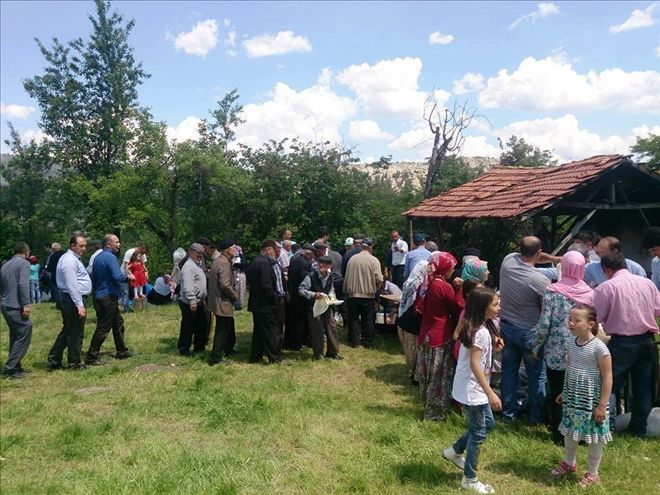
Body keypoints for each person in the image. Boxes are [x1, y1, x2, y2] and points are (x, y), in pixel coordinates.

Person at [528, 251, 594, 444]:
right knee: (580, 394)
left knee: (558, 392)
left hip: (556, 353)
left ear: (563, 267)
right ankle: (581, 434)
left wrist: (536, 346)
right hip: (583, 351)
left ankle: (560, 435)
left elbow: (544, 323)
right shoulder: (590, 293)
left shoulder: (553, 291)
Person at [593, 251, 660, 437]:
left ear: (606, 270)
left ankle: (606, 426)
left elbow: (597, 316)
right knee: (643, 387)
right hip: (647, 340)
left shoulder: (606, 288)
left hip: (622, 342)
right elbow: (657, 309)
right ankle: (639, 429)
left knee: (609, 384)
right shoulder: (647, 283)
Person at [443, 288, 502, 494]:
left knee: (487, 424)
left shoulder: (479, 328)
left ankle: (455, 451)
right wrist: (490, 392)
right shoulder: (480, 332)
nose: (499, 307)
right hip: (474, 390)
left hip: (473, 387)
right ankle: (470, 478)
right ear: (483, 308)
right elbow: (475, 365)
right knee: (479, 433)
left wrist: (493, 348)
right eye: (495, 304)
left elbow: (476, 358)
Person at [551, 304, 612, 488]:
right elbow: (570, 367)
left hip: (592, 400)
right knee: (570, 430)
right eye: (570, 319)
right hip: (573, 397)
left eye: (576, 320)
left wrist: (602, 405)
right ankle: (569, 463)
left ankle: (593, 473)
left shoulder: (599, 348)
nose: (571, 323)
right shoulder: (571, 343)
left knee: (594, 435)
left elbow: (608, 377)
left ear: (590, 324)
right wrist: (565, 391)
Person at [499, 236, 550, 424]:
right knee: (537, 376)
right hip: (530, 332)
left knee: (509, 372)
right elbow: (544, 310)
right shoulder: (540, 280)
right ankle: (535, 418)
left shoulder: (508, 262)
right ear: (539, 253)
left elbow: (530, 255)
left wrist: (554, 259)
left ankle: (508, 414)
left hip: (507, 327)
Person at [416, 251, 464, 420]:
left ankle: (427, 405)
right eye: (451, 267)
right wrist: (460, 290)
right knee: (439, 374)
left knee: (428, 373)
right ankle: (435, 412)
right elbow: (457, 307)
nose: (453, 270)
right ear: (444, 268)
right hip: (440, 335)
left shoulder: (426, 283)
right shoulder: (443, 286)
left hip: (425, 333)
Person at [85, 234, 134, 366]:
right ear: (108, 244)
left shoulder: (98, 257)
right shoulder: (110, 257)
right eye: (116, 242)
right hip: (108, 296)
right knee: (103, 327)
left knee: (118, 322)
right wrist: (128, 277)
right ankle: (91, 357)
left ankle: (121, 351)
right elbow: (118, 276)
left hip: (100, 295)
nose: (119, 244)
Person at [47, 234, 92, 371]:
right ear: (72, 246)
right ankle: (74, 363)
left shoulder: (72, 259)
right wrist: (80, 305)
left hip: (71, 298)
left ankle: (54, 360)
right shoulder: (69, 261)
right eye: (81, 246)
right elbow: (71, 284)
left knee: (68, 330)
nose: (84, 248)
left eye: (85, 246)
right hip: (72, 299)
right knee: (75, 332)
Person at [298, 255, 343, 360]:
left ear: (330, 266)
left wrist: (332, 296)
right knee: (317, 330)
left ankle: (332, 353)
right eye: (321, 263)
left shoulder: (330, 276)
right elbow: (301, 289)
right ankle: (318, 354)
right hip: (314, 307)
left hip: (327, 306)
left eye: (325, 264)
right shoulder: (311, 275)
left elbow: (331, 289)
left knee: (332, 328)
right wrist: (313, 294)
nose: (322, 265)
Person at [247, 239, 284, 364]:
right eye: (274, 250)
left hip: (256, 304)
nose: (275, 253)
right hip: (265, 304)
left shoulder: (255, 261)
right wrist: (275, 298)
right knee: (271, 331)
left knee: (259, 331)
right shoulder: (264, 264)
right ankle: (275, 357)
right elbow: (266, 286)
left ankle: (255, 356)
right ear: (268, 250)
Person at [343, 238, 383, 348]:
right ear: (371, 247)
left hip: (353, 293)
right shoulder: (374, 260)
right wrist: (376, 286)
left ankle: (355, 341)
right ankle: (368, 342)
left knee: (354, 318)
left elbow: (346, 276)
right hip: (368, 294)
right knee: (368, 319)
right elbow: (379, 279)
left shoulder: (352, 259)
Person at [1, 242, 33, 378]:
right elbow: (23, 284)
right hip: (15, 306)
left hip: (5, 304)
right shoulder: (24, 264)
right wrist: (26, 304)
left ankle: (16, 366)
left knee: (15, 335)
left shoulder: (5, 265)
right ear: (26, 252)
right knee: (25, 331)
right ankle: (10, 368)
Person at [207, 239, 239, 365]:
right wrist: (235, 296)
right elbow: (225, 284)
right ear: (227, 250)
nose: (235, 250)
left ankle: (228, 349)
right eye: (233, 247)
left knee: (228, 326)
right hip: (222, 301)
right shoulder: (224, 263)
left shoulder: (218, 260)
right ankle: (215, 357)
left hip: (217, 300)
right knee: (222, 330)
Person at [397, 259, 428, 384]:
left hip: (402, 319)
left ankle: (412, 373)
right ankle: (415, 376)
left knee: (410, 351)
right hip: (412, 322)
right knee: (416, 351)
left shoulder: (408, 282)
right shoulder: (421, 285)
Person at [177, 243, 208, 356]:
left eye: (202, 253)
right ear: (191, 252)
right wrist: (192, 300)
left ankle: (199, 347)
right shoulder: (189, 266)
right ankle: (184, 349)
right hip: (190, 302)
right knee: (188, 326)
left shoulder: (197, 264)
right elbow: (188, 285)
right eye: (198, 253)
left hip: (199, 301)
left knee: (201, 325)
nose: (200, 255)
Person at [283, 244, 314, 350]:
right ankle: (296, 343)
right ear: (308, 253)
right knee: (298, 321)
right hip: (299, 296)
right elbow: (304, 279)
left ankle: (289, 342)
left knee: (292, 321)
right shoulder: (303, 262)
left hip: (293, 293)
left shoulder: (295, 258)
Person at [121, 242, 148, 311]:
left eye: (144, 253)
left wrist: (146, 273)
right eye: (142, 252)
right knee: (126, 292)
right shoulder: (129, 252)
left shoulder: (142, 254)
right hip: (125, 274)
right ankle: (126, 309)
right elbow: (126, 266)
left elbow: (143, 265)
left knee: (140, 286)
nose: (142, 255)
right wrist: (130, 274)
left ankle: (139, 305)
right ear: (139, 248)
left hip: (138, 275)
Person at [45, 242, 63, 307]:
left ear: (54, 249)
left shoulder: (53, 256)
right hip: (64, 275)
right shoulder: (65, 255)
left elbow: (49, 267)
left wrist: (46, 268)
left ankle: (59, 304)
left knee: (57, 290)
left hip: (55, 275)